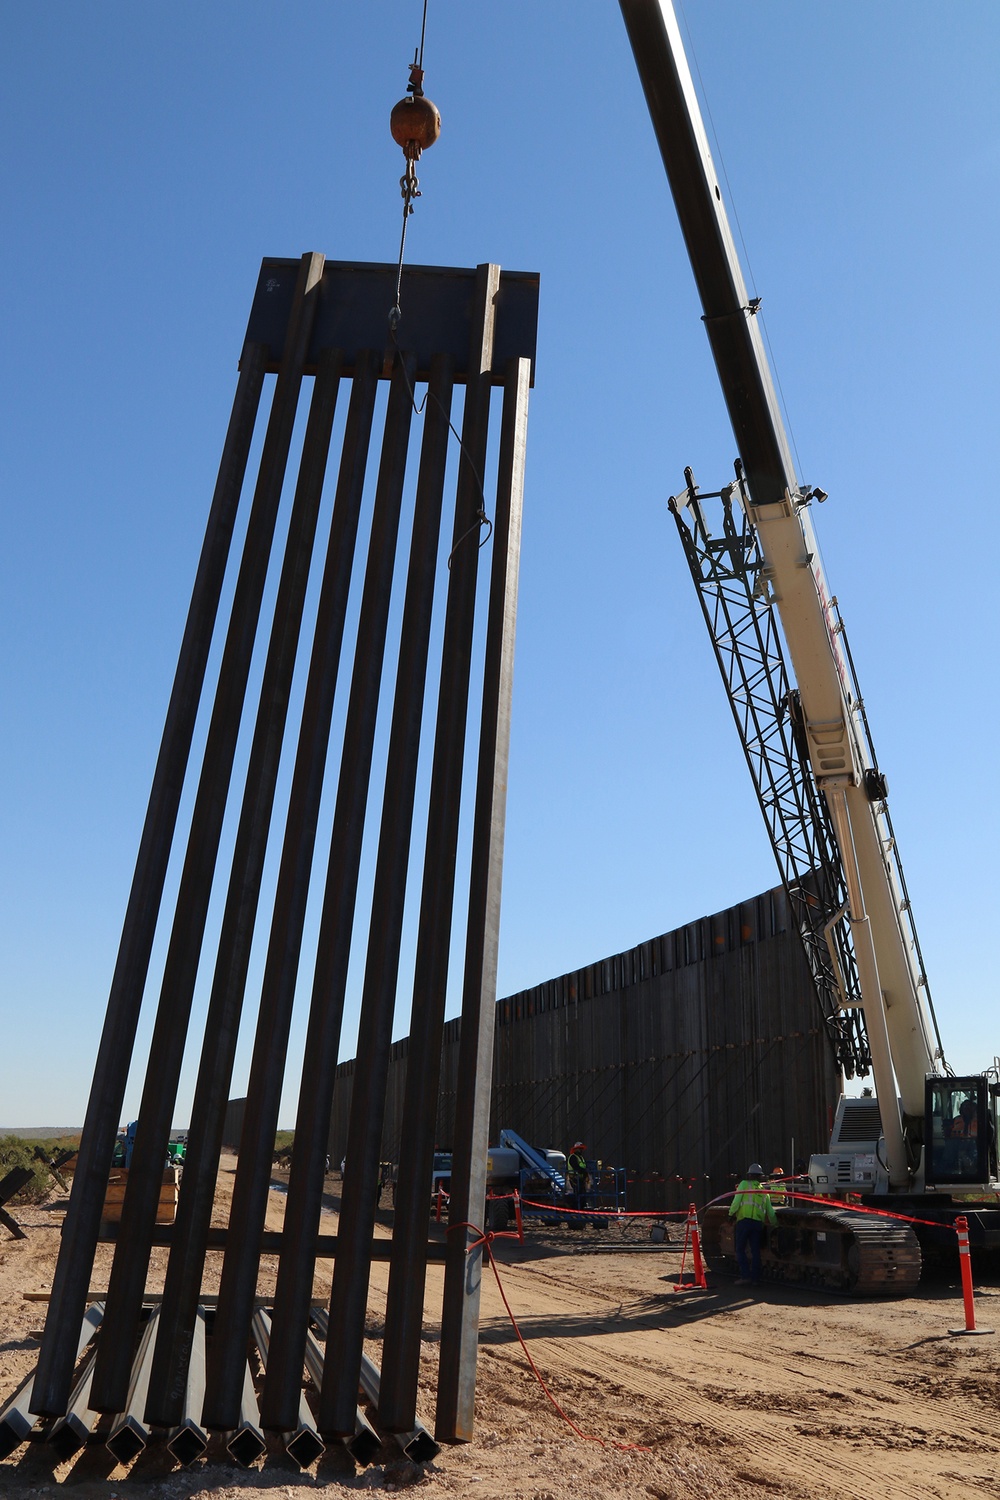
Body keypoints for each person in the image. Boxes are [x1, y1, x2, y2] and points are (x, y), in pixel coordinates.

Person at [728, 1162, 777, 1285]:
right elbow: (770, 1212)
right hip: (757, 1224)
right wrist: (775, 1225)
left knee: (740, 1249)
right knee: (756, 1251)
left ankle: (745, 1276)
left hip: (744, 1222)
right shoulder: (763, 1191)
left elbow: (736, 1201)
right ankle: (755, 1279)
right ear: (760, 1176)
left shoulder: (744, 1185)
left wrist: (730, 1214)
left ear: (749, 1175)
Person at [568, 1141, 589, 1214]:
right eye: (579, 1148)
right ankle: (576, 1209)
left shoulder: (580, 1157)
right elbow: (577, 1167)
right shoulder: (573, 1157)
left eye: (581, 1149)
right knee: (578, 1194)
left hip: (580, 1179)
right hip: (574, 1179)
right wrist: (584, 1171)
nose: (581, 1150)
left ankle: (581, 1208)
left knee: (582, 1194)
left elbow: (583, 1167)